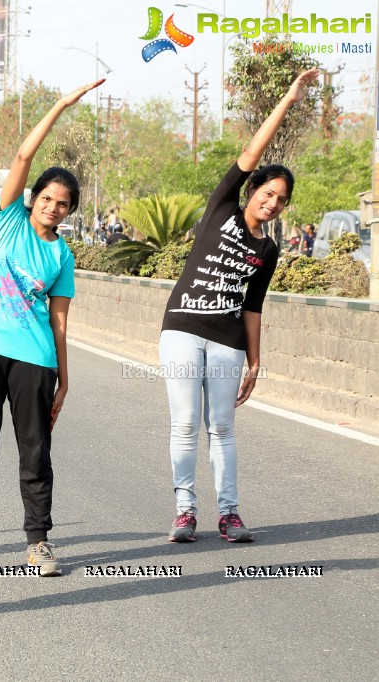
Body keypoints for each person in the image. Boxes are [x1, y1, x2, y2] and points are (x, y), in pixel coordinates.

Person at [0, 78, 103, 578]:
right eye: (47, 197)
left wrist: (64, 375)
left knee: (35, 453)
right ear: (33, 197)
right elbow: (20, 156)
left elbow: (60, 318)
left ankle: (38, 542)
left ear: (69, 211)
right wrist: (60, 105)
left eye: (63, 203)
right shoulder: (9, 221)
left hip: (34, 359)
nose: (53, 207)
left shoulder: (62, 254)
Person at [161, 69, 318, 544]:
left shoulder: (268, 249)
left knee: (222, 427)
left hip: (228, 340)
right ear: (253, 191)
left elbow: (253, 306)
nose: (272, 203)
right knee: (186, 422)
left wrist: (255, 359)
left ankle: (229, 514)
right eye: (268, 193)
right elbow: (251, 153)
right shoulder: (223, 208)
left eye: (281, 200)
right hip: (184, 329)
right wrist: (289, 98)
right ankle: (185, 511)